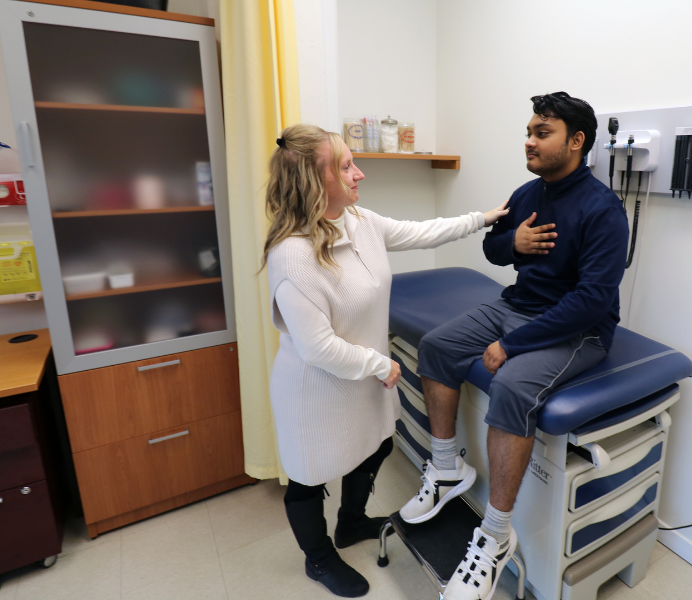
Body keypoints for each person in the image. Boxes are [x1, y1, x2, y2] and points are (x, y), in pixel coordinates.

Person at [262, 124, 508, 598]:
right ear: (319, 182)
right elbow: (317, 347)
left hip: (363, 379)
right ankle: (318, 559)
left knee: (375, 447)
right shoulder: (291, 256)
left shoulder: (357, 222)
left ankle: (351, 523)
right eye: (347, 166)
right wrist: (380, 365)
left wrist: (484, 217)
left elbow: (423, 233)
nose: (360, 174)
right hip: (314, 389)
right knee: (309, 477)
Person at [400, 92, 628, 600]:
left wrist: (512, 342)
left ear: (576, 141)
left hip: (579, 330)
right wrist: (514, 246)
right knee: (436, 346)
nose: (529, 140)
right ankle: (445, 467)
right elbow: (491, 246)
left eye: (541, 133)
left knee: (511, 386)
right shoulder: (528, 194)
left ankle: (496, 535)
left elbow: (592, 301)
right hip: (516, 305)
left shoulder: (603, 210)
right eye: (528, 131)